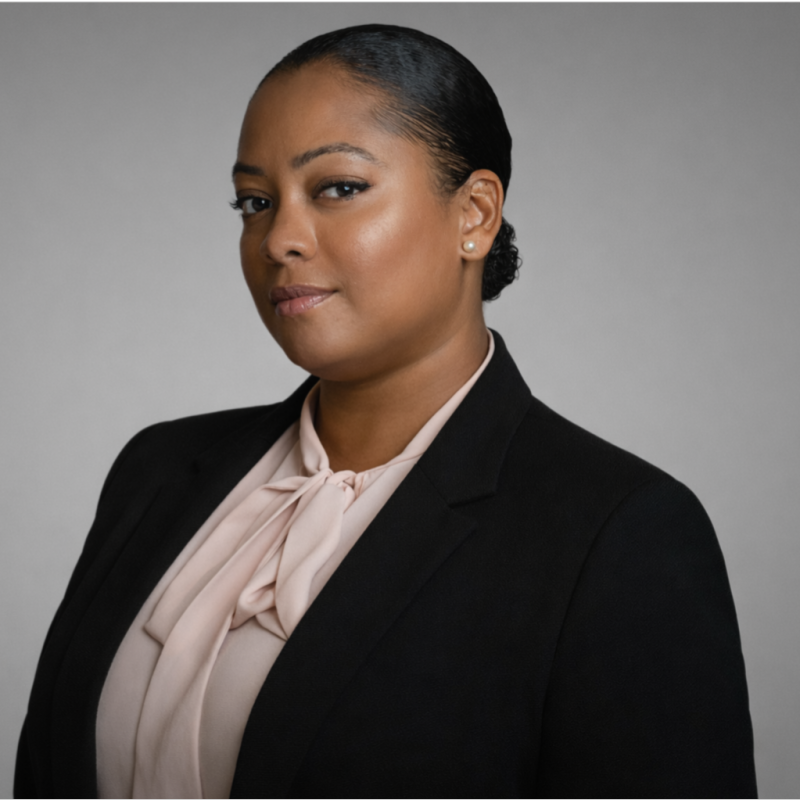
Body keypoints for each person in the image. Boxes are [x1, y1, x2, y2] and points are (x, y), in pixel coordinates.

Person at [15, 23, 757, 800]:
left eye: (338, 187)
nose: (278, 239)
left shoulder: (618, 532)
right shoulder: (157, 471)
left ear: (475, 214)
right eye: (255, 202)